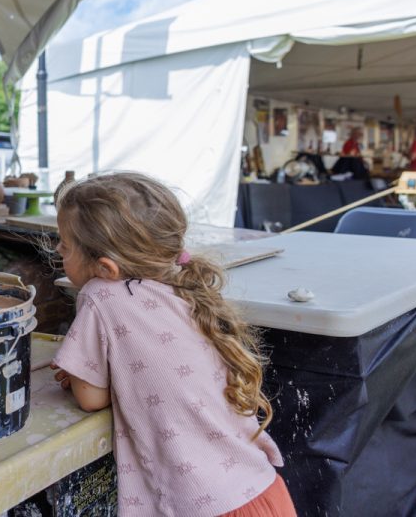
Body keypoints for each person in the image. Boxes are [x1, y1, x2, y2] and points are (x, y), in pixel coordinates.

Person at [51, 173, 296, 517]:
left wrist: (77, 374)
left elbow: (91, 399)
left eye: (63, 246)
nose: (58, 253)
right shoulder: (185, 285)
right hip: (263, 494)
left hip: (205, 508)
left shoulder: (100, 294)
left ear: (105, 267)